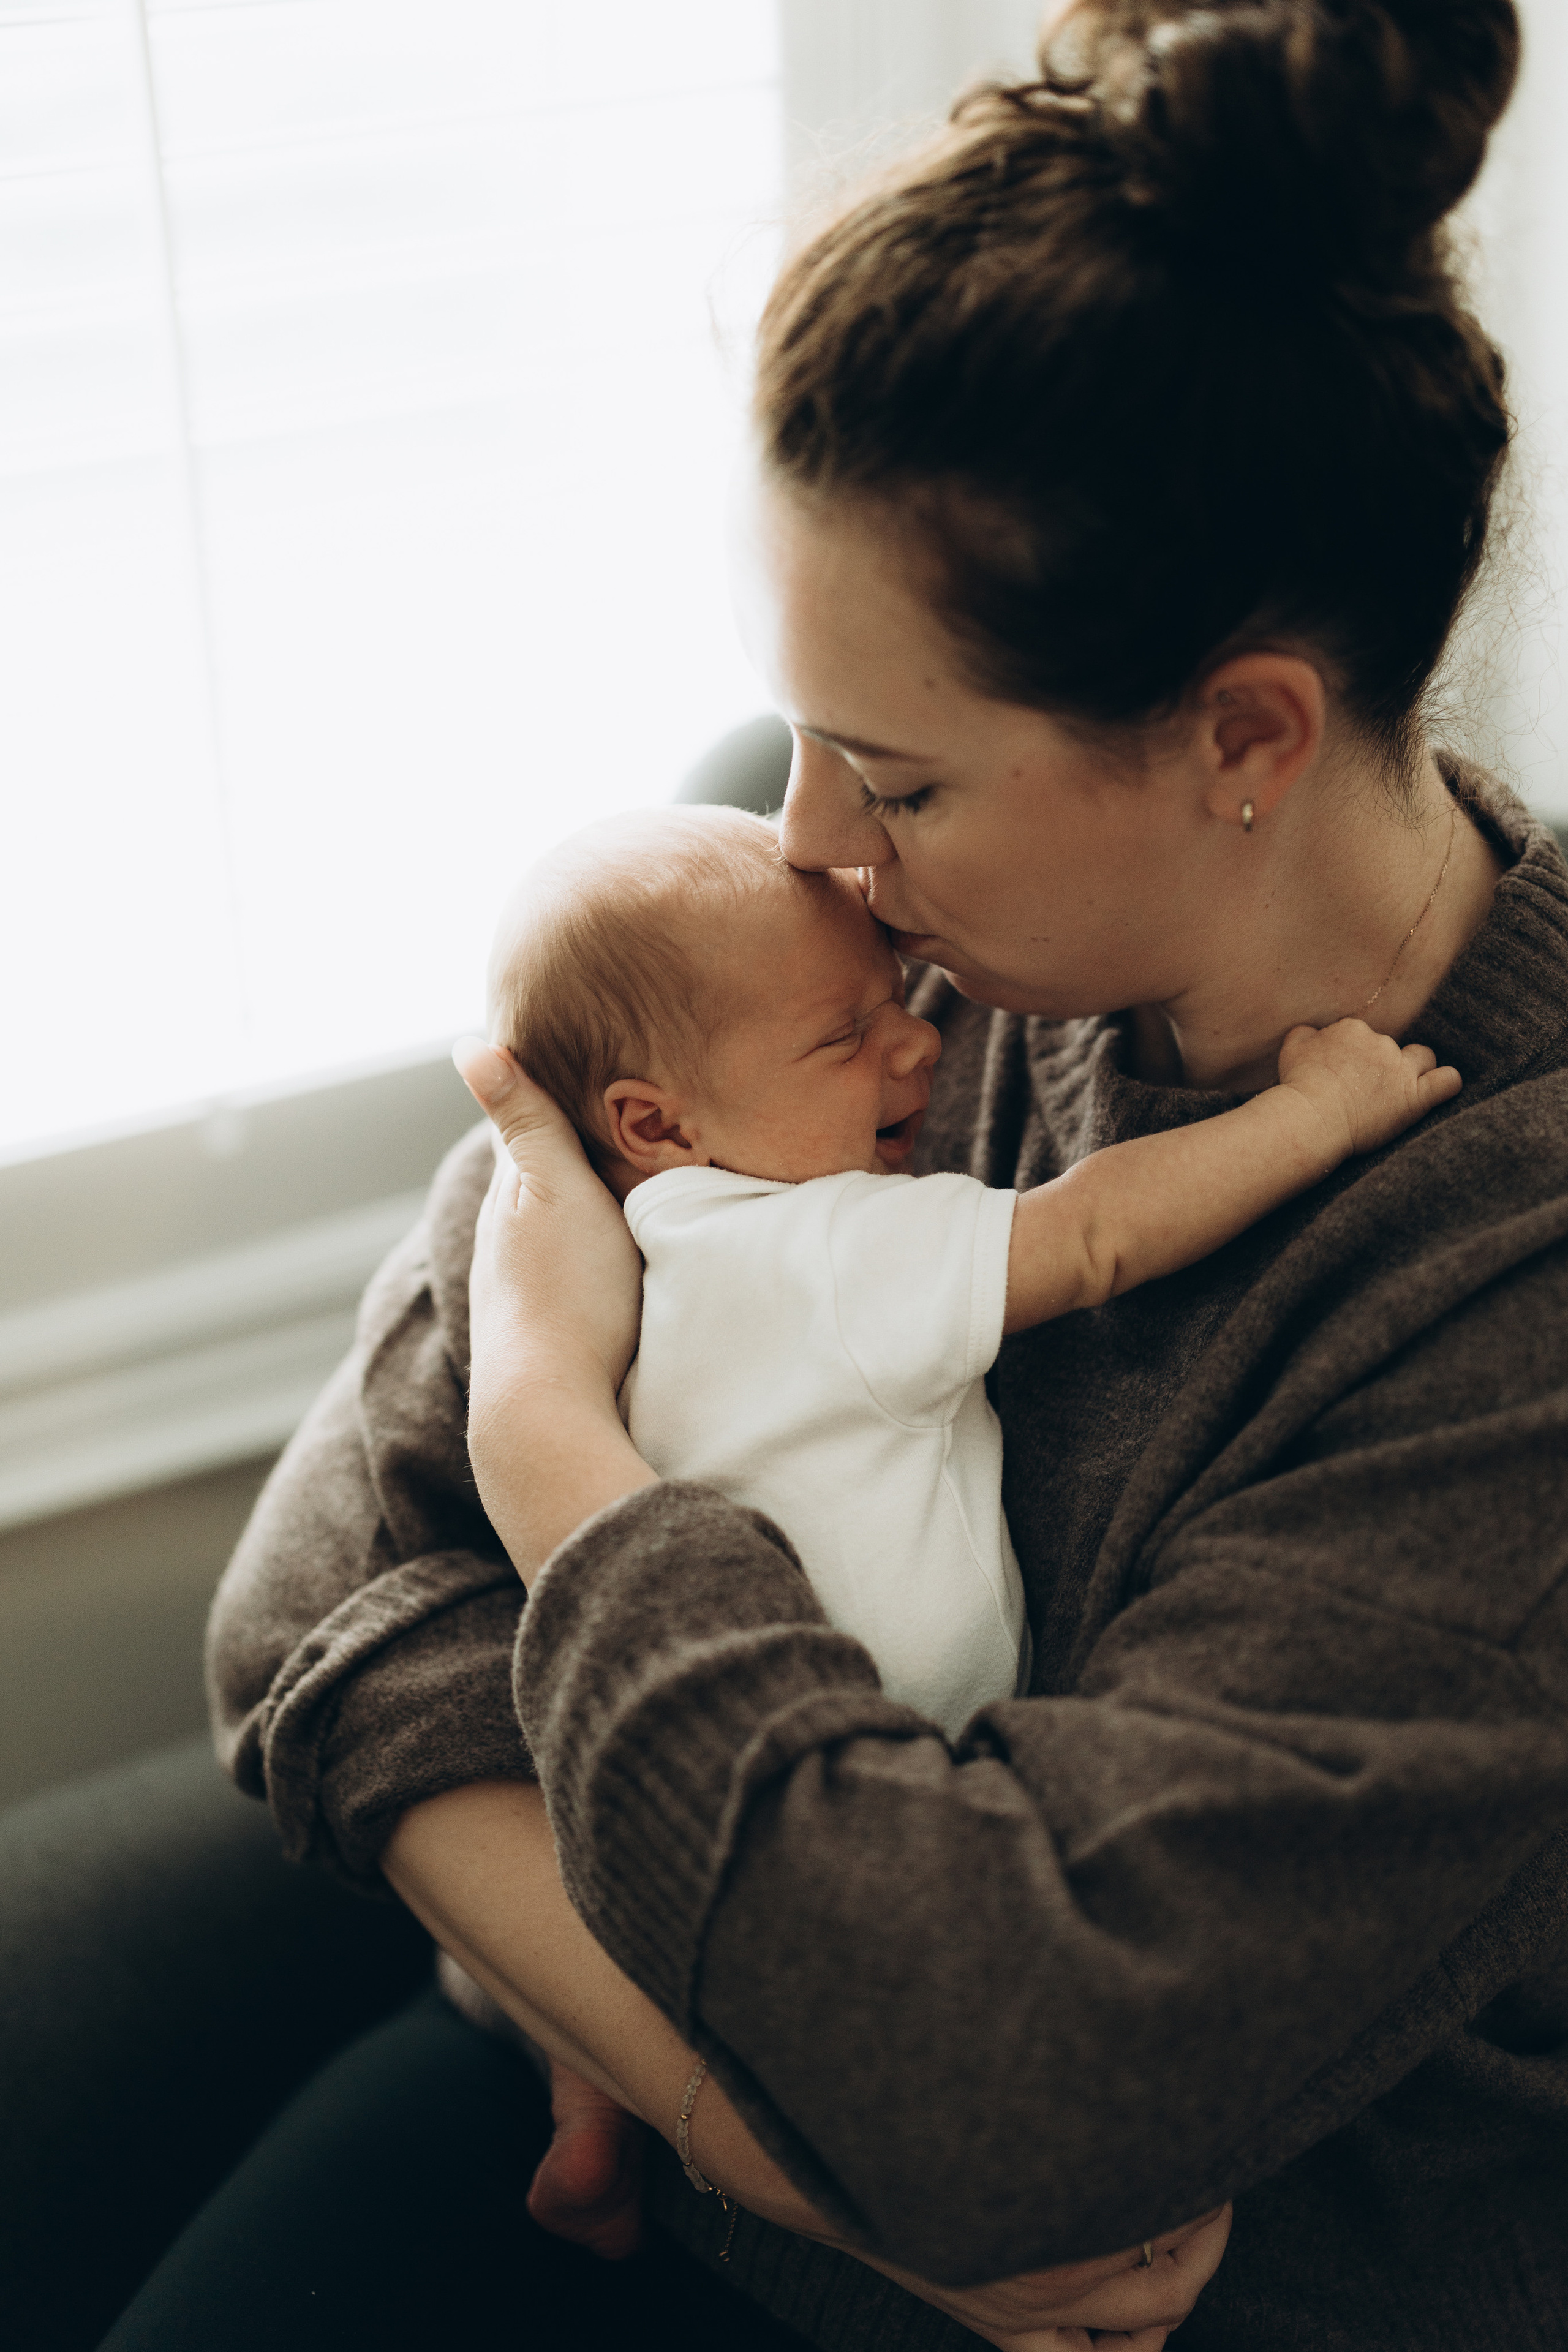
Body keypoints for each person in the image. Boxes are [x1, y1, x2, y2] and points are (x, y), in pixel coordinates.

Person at [180, 1, 1568, 2346]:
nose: (805, 842)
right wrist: (750, 2133)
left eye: (898, 781)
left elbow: (1001, 2080)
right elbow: (310, 1601)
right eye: (808, 742)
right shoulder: (860, 928)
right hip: (682, 2164)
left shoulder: (1506, 1287)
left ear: (1242, 735)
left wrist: (560, 1467)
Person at [486, 801, 1458, 1746]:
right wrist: (1316, 1117)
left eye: (896, 997)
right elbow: (1095, 1234)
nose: (920, 1039)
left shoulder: (637, 1256)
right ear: (656, 1125)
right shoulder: (817, 1249)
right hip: (862, 1755)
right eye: (844, 1035)